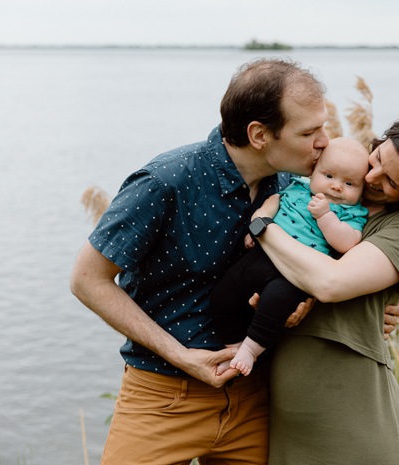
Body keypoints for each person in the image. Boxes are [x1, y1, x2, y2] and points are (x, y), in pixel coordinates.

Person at [70, 57, 330, 464]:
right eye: (310, 131)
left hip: (255, 398)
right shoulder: (165, 180)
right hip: (162, 397)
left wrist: (321, 304)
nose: (325, 142)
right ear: (260, 134)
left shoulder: (293, 186)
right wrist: (183, 356)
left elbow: (325, 265)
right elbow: (87, 280)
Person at [250, 116, 399, 464]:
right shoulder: (335, 175)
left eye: (390, 182)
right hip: (277, 416)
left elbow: (330, 283)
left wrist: (263, 226)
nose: (371, 178)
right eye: (378, 160)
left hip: (349, 423)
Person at [209, 137, 370, 376]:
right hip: (263, 254)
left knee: (274, 305)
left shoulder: (351, 212)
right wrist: (260, 224)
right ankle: (233, 349)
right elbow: (273, 203)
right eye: (329, 176)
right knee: (223, 294)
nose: (337, 187)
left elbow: (347, 242)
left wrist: (325, 217)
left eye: (349, 183)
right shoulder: (296, 187)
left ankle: (251, 350)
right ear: (313, 171)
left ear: (362, 190)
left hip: (296, 272)